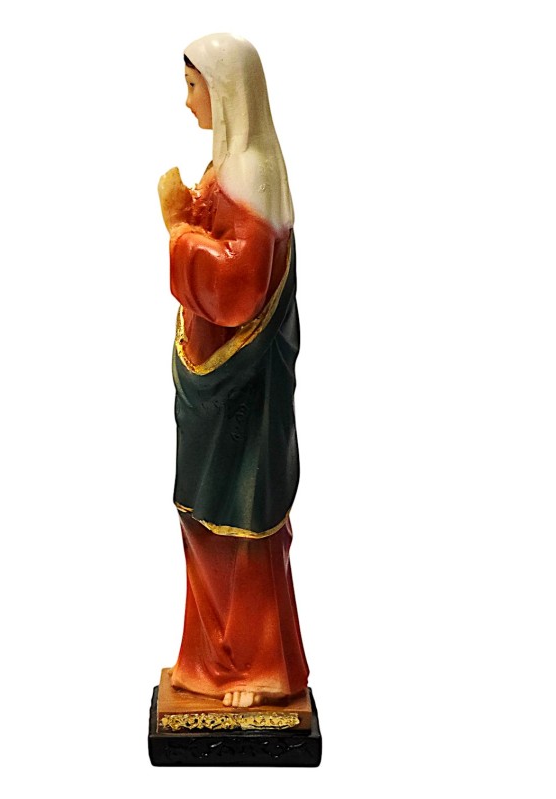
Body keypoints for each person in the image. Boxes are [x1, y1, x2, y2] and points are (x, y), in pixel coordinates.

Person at [158, 33, 309, 710]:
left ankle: (263, 666)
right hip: (214, 391)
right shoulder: (231, 167)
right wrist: (193, 217)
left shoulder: (250, 172)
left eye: (194, 86)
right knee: (203, 518)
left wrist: (177, 230)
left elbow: (237, 286)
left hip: (241, 395)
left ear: (224, 92)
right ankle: (213, 660)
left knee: (238, 522)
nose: (187, 100)